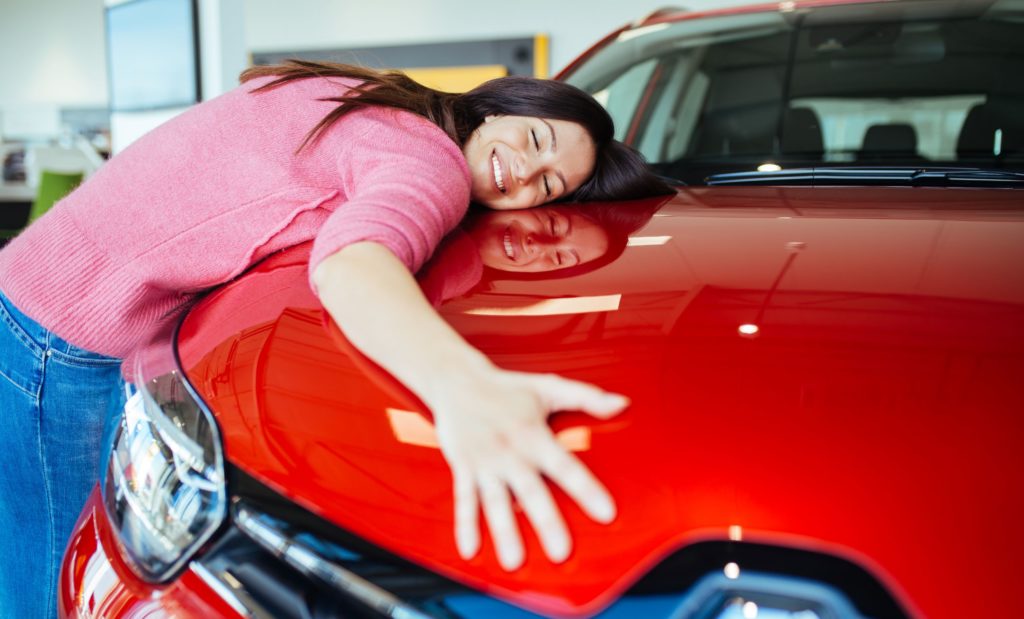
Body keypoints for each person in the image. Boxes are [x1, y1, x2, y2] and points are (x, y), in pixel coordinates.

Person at [0, 60, 672, 617]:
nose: (522, 174)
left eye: (547, 185)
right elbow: (352, 261)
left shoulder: (368, 92)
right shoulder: (426, 159)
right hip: (56, 339)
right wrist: (467, 389)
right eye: (533, 140)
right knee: (52, 586)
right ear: (500, 110)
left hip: (31, 295)